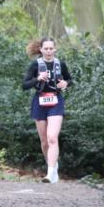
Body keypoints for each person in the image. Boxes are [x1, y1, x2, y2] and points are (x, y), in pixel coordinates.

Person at [22, 38, 72, 184]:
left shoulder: (60, 64)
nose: (49, 51)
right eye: (46, 49)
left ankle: (50, 173)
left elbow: (70, 80)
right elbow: (24, 85)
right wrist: (37, 79)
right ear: (41, 50)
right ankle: (53, 165)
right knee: (44, 142)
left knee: (52, 138)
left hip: (56, 102)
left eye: (51, 48)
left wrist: (66, 83)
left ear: (55, 49)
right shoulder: (35, 65)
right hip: (39, 102)